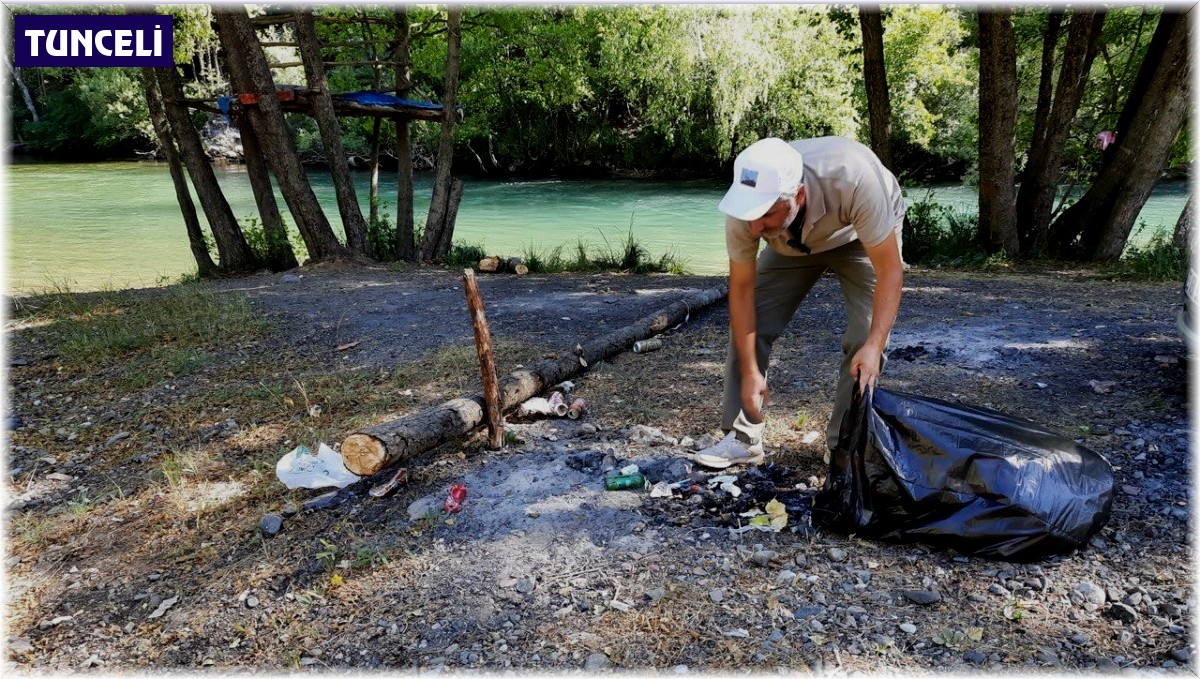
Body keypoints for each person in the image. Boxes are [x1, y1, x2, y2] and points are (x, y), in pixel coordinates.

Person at [693, 136, 906, 469]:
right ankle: (743, 438)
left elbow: (890, 272)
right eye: (749, 214)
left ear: (799, 195)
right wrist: (750, 371)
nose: (754, 226)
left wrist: (875, 344)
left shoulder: (855, 180)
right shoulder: (745, 213)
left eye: (765, 213)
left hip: (858, 233)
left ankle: (843, 447)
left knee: (866, 338)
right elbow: (743, 292)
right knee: (752, 321)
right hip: (789, 241)